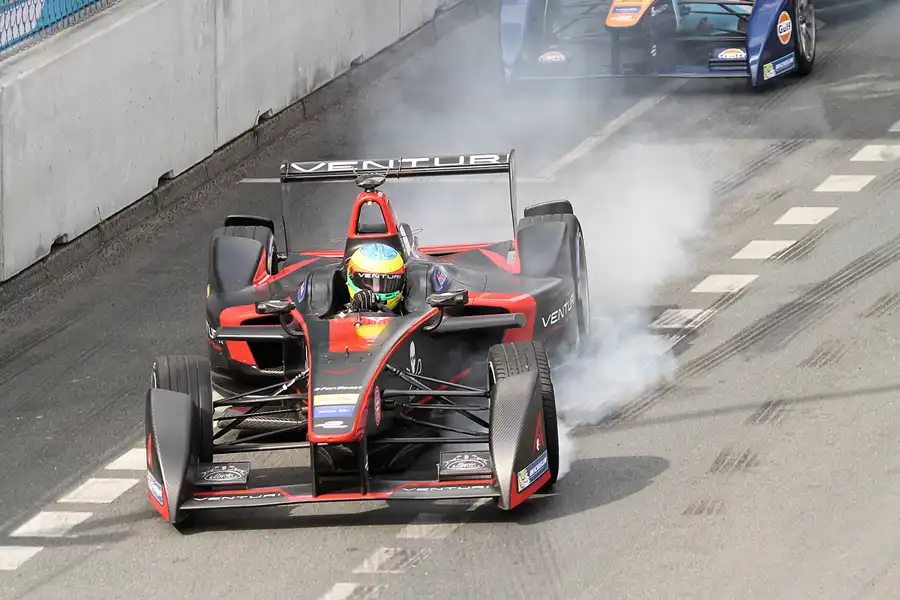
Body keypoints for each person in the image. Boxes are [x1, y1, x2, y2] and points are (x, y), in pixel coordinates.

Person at [344, 242, 407, 314]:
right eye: (369, 282)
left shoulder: (411, 309)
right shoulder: (341, 315)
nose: (376, 289)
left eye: (384, 283)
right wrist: (353, 311)